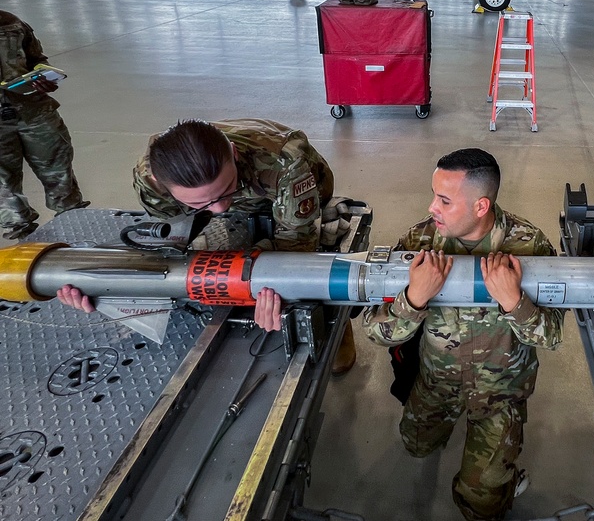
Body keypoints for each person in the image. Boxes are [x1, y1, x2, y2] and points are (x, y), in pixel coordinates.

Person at [56, 118, 356, 372]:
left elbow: (296, 249)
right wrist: (107, 292)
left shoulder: (286, 163)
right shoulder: (151, 180)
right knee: (209, 261)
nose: (220, 209)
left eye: (225, 191)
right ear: (159, 181)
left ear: (235, 154)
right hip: (244, 195)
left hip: (292, 188)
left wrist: (277, 292)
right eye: (201, 202)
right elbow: (170, 239)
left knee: (310, 273)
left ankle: (339, 337)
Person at [363, 148, 562, 521]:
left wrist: (514, 302)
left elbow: (551, 336)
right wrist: (414, 298)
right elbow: (376, 331)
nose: (431, 207)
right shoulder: (418, 243)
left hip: (500, 392)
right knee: (416, 445)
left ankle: (501, 482)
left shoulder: (528, 246)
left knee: (482, 499)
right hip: (438, 382)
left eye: (444, 200)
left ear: (481, 206)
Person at [0, 10, 88, 240]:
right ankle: (23, 238)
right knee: (3, 186)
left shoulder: (11, 23)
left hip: (34, 111)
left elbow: (36, 58)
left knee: (58, 169)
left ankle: (75, 228)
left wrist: (43, 77)